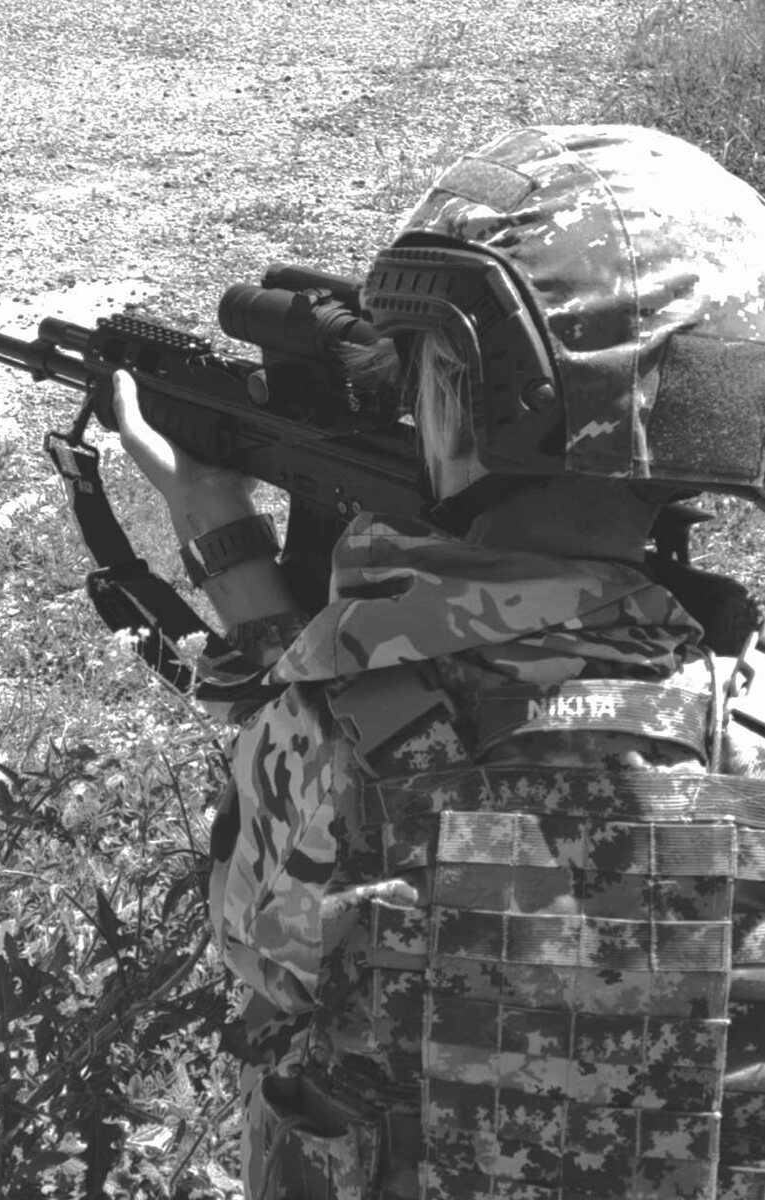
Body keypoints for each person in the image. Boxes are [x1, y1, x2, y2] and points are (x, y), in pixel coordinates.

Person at [113, 126, 765, 1200]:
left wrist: (223, 540)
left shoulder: (329, 739)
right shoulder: (745, 724)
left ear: (473, 383)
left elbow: (257, 948)